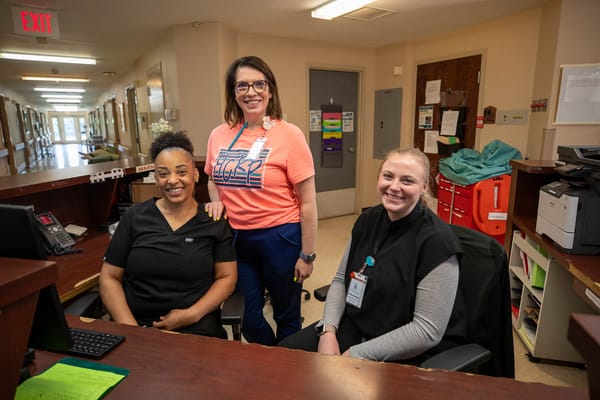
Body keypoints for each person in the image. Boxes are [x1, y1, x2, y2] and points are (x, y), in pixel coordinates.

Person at [279, 147, 467, 362]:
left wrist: (356, 355)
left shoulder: (437, 242)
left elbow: (426, 330)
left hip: (407, 345)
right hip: (361, 322)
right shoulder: (368, 219)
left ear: (424, 187)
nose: (394, 187)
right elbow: (341, 280)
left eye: (407, 181)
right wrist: (328, 331)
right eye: (388, 176)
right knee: (285, 358)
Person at [204, 56, 317, 345]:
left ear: (270, 90)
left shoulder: (290, 135)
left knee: (287, 315)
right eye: (242, 86)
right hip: (236, 240)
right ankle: (269, 359)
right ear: (233, 92)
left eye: (259, 84)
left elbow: (307, 202)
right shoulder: (219, 134)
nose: (251, 92)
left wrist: (307, 255)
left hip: (280, 237)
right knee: (249, 316)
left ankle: (289, 370)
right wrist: (216, 200)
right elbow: (212, 177)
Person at [99, 131, 237, 338]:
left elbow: (227, 276)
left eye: (181, 172)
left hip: (196, 327)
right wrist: (131, 329)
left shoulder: (213, 220)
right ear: (156, 179)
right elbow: (110, 277)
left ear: (196, 175)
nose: (173, 180)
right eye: (163, 174)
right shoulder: (135, 217)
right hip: (138, 326)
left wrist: (191, 314)